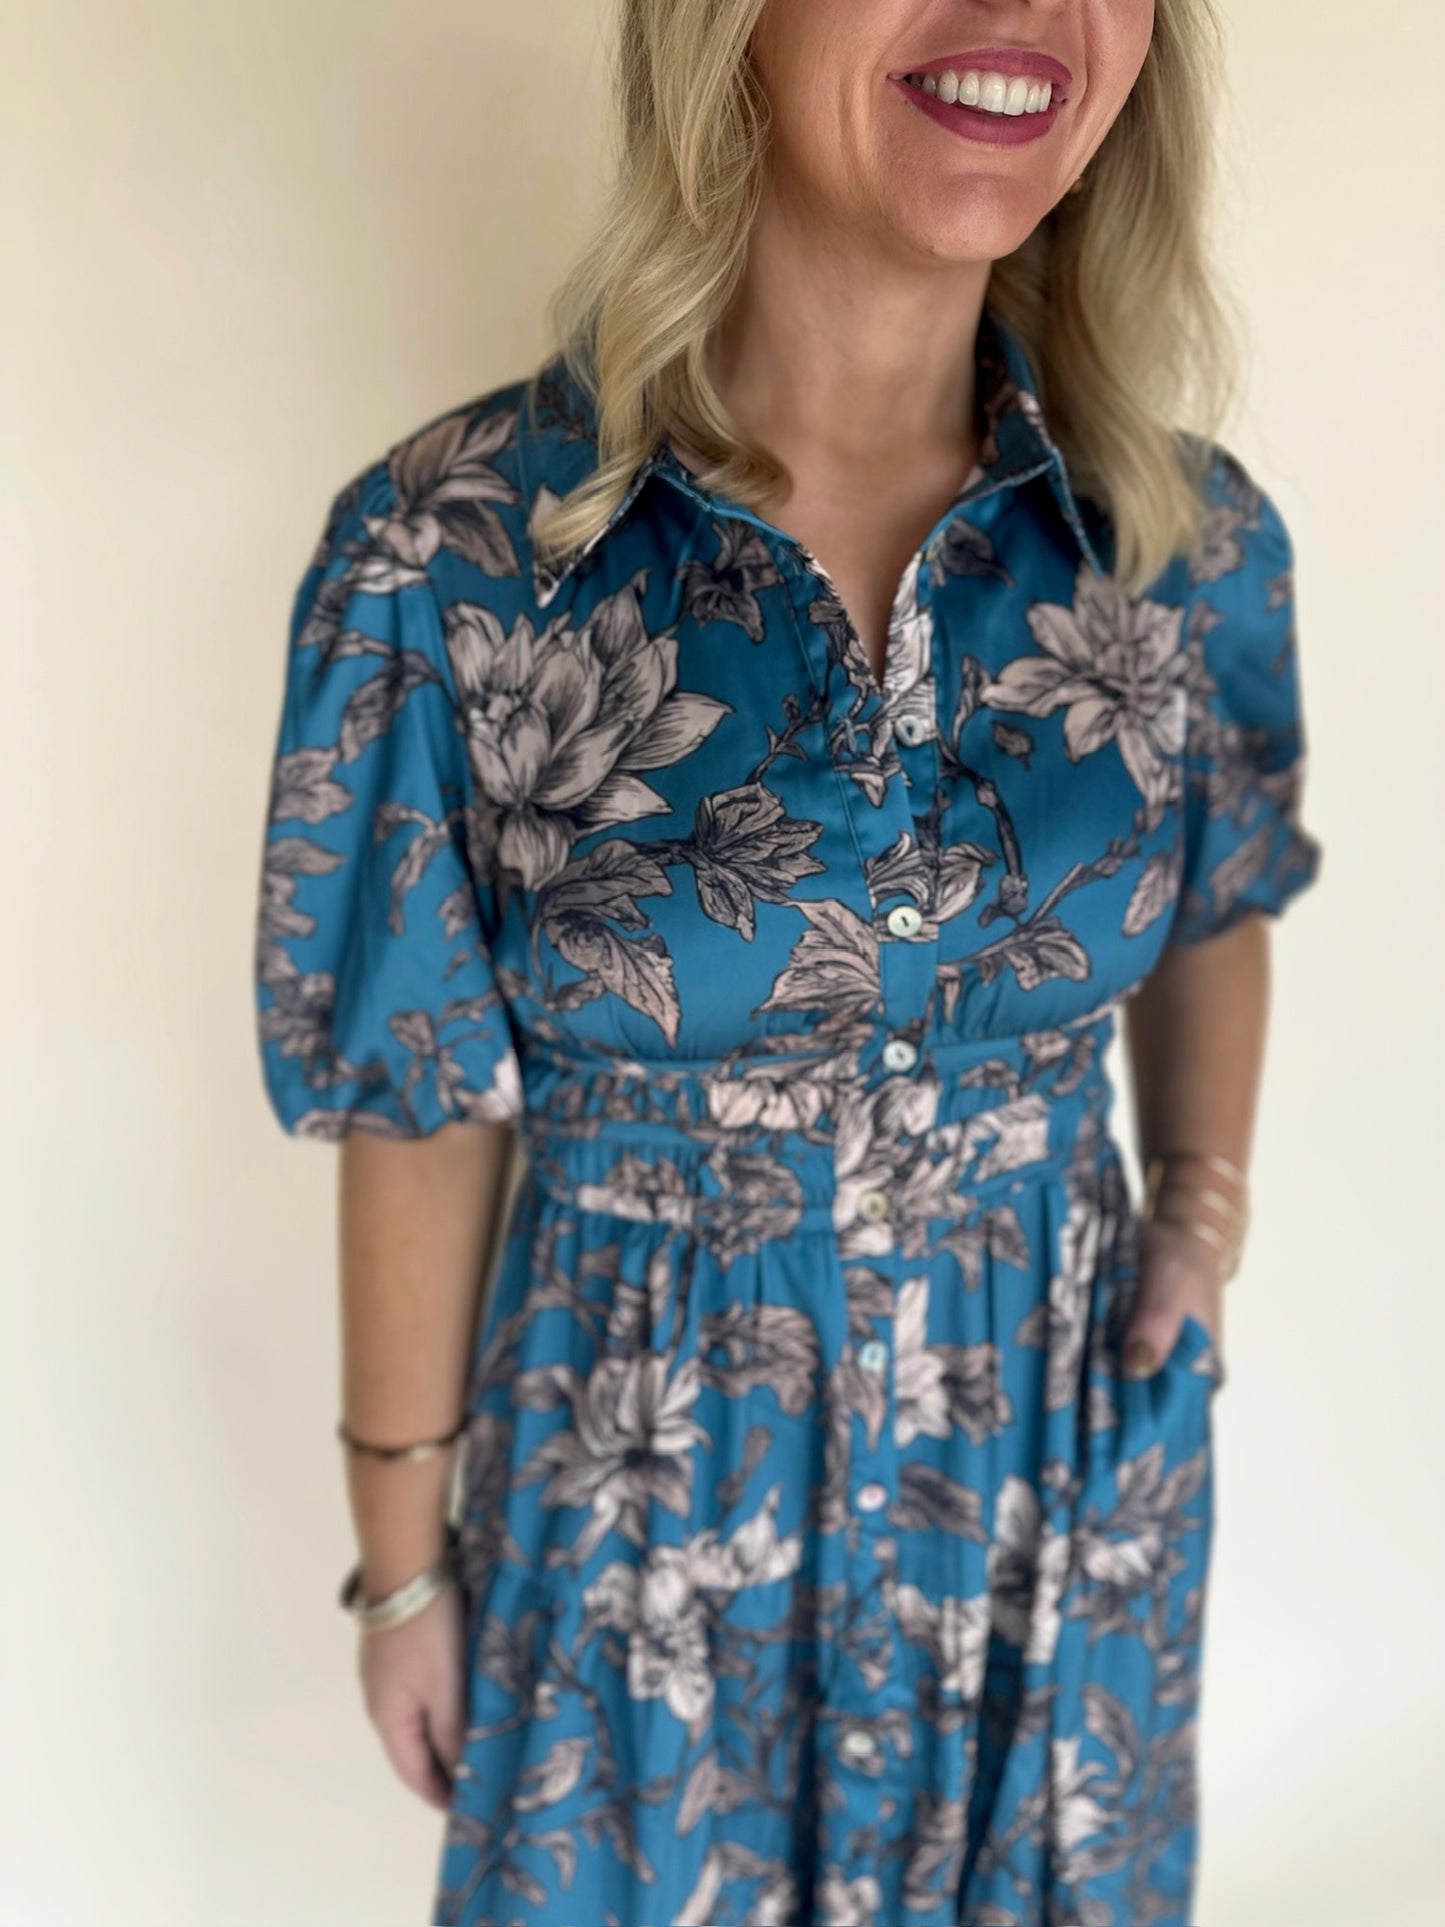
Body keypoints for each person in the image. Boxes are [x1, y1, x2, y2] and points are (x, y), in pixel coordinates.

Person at [252, 0, 1324, 1921]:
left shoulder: (1182, 543)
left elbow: (1216, 889)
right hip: (638, 1489)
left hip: (1050, 1489)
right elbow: (414, 1085)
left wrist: (1199, 1219)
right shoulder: (451, 557)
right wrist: (402, 1561)